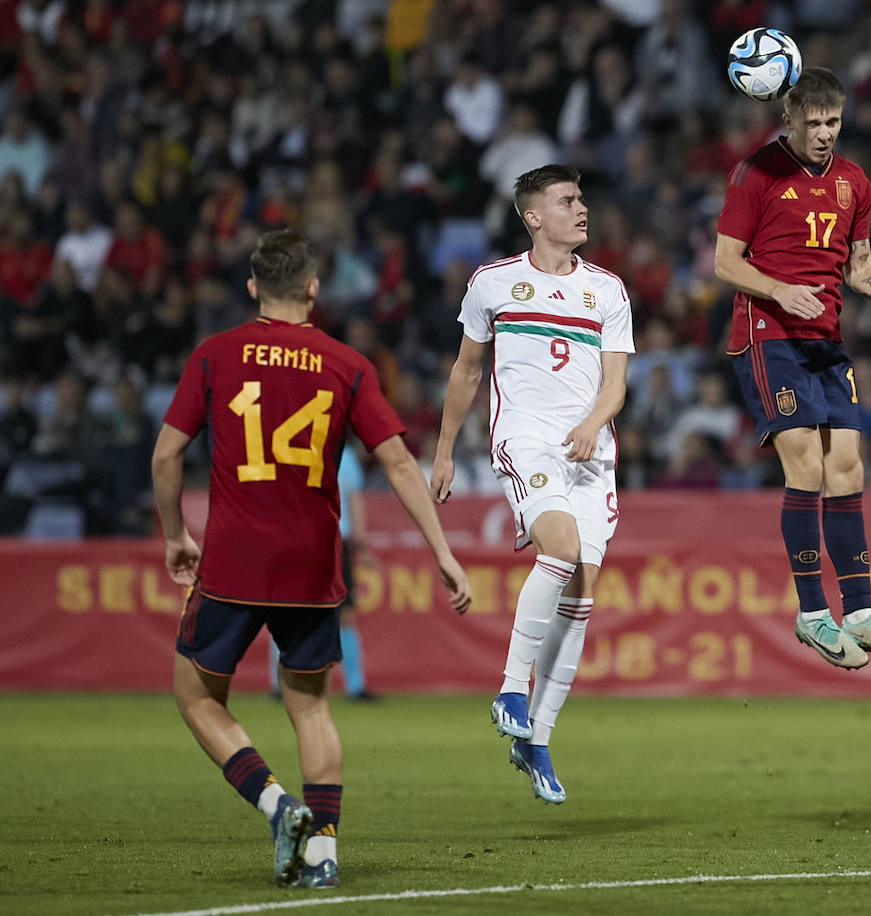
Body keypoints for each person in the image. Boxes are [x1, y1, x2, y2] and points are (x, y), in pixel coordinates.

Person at [151, 229, 472, 890]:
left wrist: (174, 535)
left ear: (251, 288)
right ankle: (323, 853)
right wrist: (441, 551)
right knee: (311, 707)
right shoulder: (348, 364)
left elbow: (164, 455)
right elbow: (398, 462)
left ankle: (276, 806)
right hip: (311, 564)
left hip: (235, 558)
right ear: (313, 288)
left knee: (195, 694)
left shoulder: (215, 355)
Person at [713, 68, 871, 669]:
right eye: (812, 123)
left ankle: (861, 613)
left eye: (833, 122)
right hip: (769, 335)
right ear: (788, 120)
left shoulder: (853, 181)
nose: (823, 134)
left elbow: (859, 268)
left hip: (825, 340)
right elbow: (724, 262)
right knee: (808, 464)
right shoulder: (756, 172)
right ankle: (813, 612)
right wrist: (778, 291)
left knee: (848, 465)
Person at [429, 164, 633, 805]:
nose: (581, 209)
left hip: (591, 450)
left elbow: (616, 384)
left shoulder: (608, 291)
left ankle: (535, 741)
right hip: (525, 436)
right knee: (561, 545)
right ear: (533, 216)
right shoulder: (493, 284)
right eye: (567, 200)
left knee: (583, 594)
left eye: (581, 199)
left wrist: (593, 424)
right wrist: (442, 452)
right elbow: (466, 373)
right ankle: (512, 688)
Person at [269, 439, 377, 700]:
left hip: (337, 541)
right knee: (289, 611)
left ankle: (355, 686)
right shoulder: (291, 448)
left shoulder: (345, 455)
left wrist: (360, 543)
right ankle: (280, 684)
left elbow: (353, 499)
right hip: (301, 539)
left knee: (346, 613)